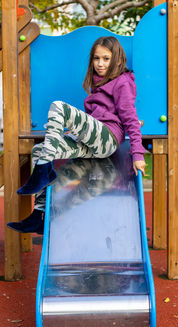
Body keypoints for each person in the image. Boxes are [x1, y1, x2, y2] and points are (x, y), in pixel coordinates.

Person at [7, 36, 145, 234]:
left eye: (106, 59)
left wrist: (138, 155)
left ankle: (42, 172)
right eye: (96, 59)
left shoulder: (123, 82)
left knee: (58, 106)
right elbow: (97, 116)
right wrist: (79, 130)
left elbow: (130, 118)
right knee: (40, 149)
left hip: (107, 139)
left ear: (117, 59)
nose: (100, 64)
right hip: (93, 140)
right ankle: (39, 215)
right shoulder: (98, 84)